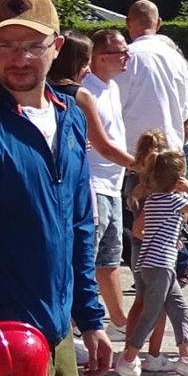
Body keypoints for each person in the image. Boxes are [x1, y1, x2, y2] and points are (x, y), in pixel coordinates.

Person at [0, 0, 113, 376]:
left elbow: (79, 225)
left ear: (57, 46)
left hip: (56, 330)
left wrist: (91, 318)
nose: (20, 58)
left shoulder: (70, 117)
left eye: (33, 45)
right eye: (6, 45)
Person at [50, 32, 137, 337]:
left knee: (109, 258)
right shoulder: (82, 94)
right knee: (85, 258)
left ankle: (118, 322)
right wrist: (144, 167)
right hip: (91, 185)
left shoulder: (110, 88)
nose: (127, 57)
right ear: (91, 59)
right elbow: (103, 145)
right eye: (121, 52)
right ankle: (77, 324)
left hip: (112, 183)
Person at [113, 145, 188, 376]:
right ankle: (128, 358)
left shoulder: (153, 199)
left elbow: (141, 229)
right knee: (151, 314)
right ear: (178, 179)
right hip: (162, 265)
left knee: (180, 309)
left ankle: (186, 358)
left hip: (152, 263)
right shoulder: (174, 201)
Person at [119, 1, 188, 168]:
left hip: (134, 156)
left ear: (128, 22)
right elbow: (184, 110)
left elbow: (114, 107)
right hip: (171, 154)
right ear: (159, 23)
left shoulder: (125, 58)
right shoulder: (177, 59)